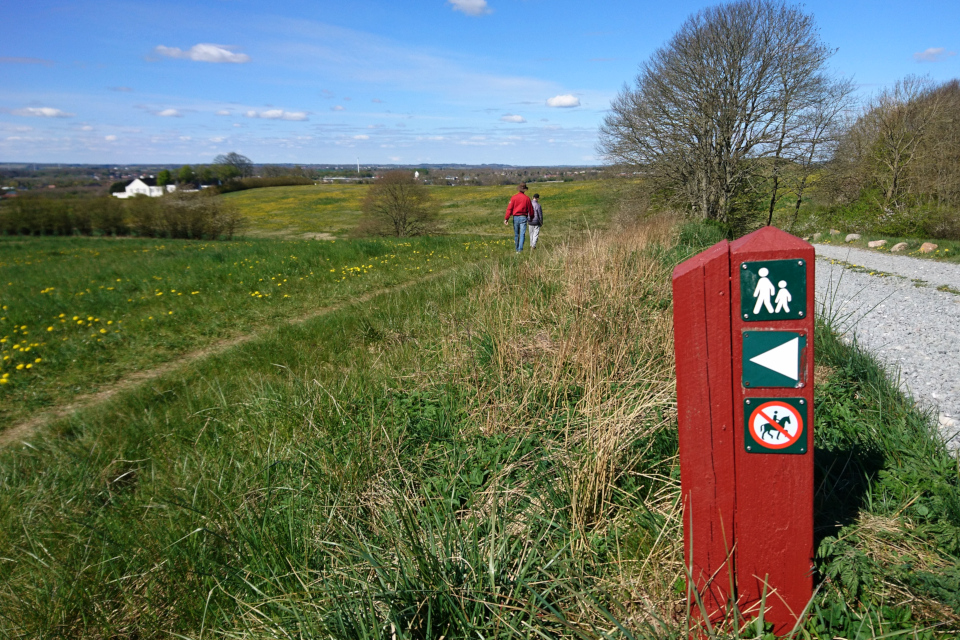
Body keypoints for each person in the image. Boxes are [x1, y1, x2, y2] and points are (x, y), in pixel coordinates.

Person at [504, 182, 533, 253]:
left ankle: (517, 249)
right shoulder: (527, 198)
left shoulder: (513, 198)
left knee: (516, 234)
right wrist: (531, 217)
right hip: (523, 217)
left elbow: (509, 209)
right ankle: (520, 250)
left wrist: (506, 218)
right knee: (522, 234)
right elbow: (530, 209)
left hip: (515, 217)